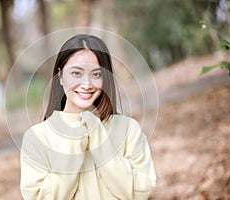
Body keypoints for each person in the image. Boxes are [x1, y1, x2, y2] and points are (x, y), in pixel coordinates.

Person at [20, 34, 156, 200]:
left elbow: (140, 193)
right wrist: (75, 140)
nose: (86, 84)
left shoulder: (128, 129)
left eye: (96, 74)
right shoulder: (37, 137)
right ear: (60, 76)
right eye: (76, 73)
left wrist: (98, 137)